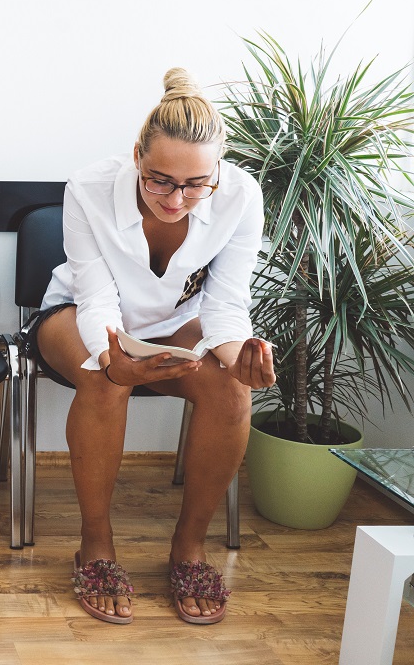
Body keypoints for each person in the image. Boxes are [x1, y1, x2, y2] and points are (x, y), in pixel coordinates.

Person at [28, 68, 275, 625]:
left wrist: (240, 357)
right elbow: (95, 297)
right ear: (138, 155)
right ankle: (95, 542)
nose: (177, 199)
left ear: (219, 169)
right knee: (101, 377)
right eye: (160, 180)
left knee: (233, 392)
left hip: (179, 320)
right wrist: (116, 359)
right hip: (77, 312)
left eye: (196, 185)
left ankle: (189, 546)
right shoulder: (89, 187)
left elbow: (225, 306)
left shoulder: (241, 195)